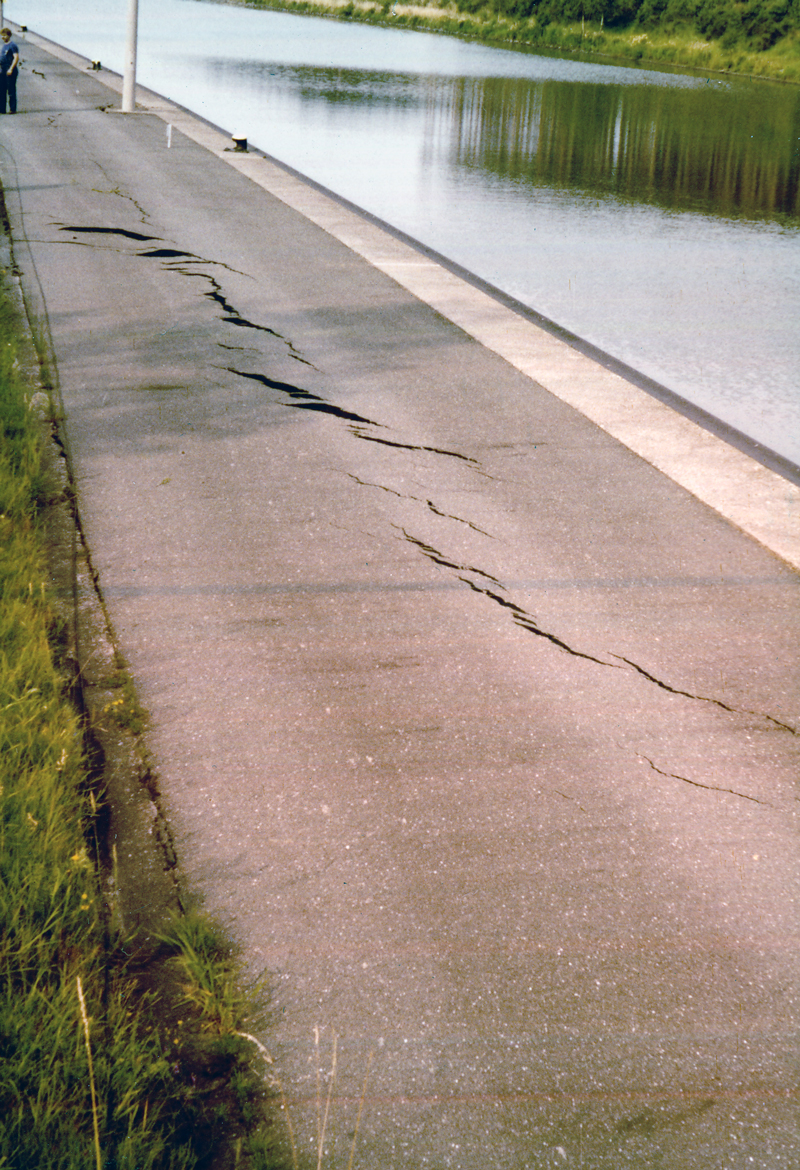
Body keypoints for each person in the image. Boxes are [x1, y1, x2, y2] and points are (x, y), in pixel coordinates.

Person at [0, 28, 19, 114]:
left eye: (4, 35)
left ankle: (12, 109)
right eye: (2, 35)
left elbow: (16, 58)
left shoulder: (13, 45)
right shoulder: (4, 46)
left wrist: (11, 68)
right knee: (2, 90)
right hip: (3, 70)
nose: (3, 37)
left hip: (10, 69)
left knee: (11, 90)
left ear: (9, 35)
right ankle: (2, 109)